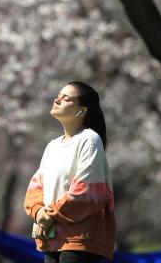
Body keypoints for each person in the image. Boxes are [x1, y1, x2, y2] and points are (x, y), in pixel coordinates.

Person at [23, 81, 116, 263]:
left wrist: (49, 215)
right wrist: (38, 212)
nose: (57, 100)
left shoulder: (89, 139)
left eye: (66, 98)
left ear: (81, 111)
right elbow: (36, 187)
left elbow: (88, 191)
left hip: (80, 239)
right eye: (58, 95)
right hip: (51, 236)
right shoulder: (52, 145)